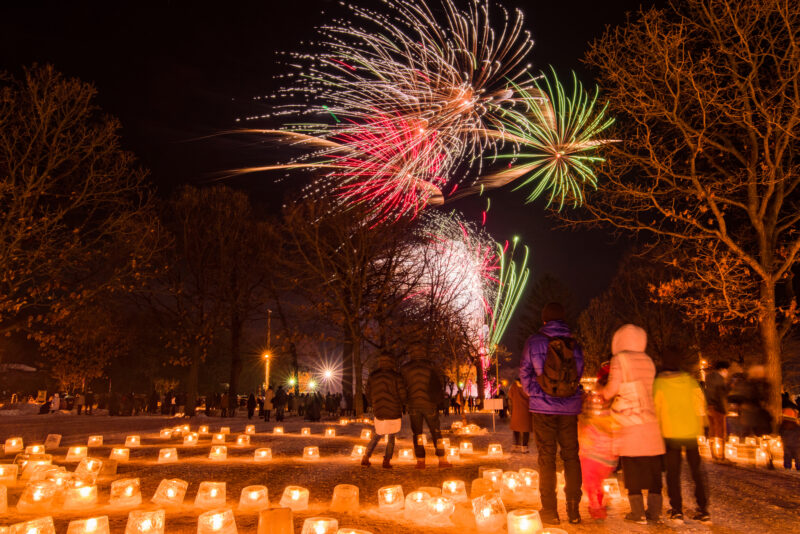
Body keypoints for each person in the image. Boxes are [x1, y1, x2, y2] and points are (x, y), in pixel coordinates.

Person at [520, 302, 584, 525]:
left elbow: (524, 371)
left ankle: (550, 511)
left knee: (546, 458)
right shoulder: (574, 344)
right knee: (571, 456)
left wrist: (535, 392)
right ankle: (574, 510)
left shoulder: (534, 341)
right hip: (568, 408)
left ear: (544, 319)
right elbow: (579, 372)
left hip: (543, 407)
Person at [600, 324, 665, 525]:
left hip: (630, 420)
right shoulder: (648, 360)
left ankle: (637, 512)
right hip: (650, 419)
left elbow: (613, 388)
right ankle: (654, 511)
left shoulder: (620, 359)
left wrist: (603, 395)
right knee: (653, 468)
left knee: (632, 467)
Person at [653, 346, 710, 524]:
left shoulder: (660, 383)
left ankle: (677, 509)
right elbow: (700, 406)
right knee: (696, 472)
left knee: (673, 473)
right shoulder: (690, 381)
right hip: (691, 431)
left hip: (670, 433)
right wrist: (704, 426)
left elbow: (656, 408)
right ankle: (703, 508)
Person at [578, 362, 618, 520]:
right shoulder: (618, 398)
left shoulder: (595, 398)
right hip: (609, 451)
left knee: (589, 478)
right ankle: (600, 499)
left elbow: (585, 417)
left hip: (593, 446)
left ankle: (596, 506)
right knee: (598, 478)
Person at [400, 348, 449, 469]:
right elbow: (438, 384)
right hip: (430, 405)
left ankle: (420, 460)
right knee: (436, 433)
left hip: (413, 406)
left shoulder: (405, 368)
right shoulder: (431, 366)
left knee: (417, 434)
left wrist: (406, 401)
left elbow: (401, 387)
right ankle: (442, 459)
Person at [362, 353, 407, 468]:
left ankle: (366, 456)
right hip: (393, 410)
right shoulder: (396, 376)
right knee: (391, 437)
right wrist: (403, 404)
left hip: (379, 410)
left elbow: (368, 393)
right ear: (391, 362)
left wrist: (374, 404)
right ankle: (386, 460)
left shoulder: (373, 376)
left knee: (377, 434)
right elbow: (402, 394)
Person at [704, 361, 730, 457]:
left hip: (709, 406)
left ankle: (713, 453)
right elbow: (720, 395)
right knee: (720, 431)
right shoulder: (719, 379)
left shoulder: (709, 378)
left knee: (712, 430)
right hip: (718, 407)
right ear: (723, 370)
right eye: (727, 370)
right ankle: (721, 455)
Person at [508, 377, 531, 453]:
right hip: (526, 410)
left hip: (516, 410)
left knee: (516, 427)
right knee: (526, 429)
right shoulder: (528, 385)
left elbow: (510, 395)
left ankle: (515, 445)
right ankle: (524, 447)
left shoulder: (514, 386)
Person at [779, 401, 800, 470]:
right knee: (797, 455)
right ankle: (798, 466)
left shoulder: (783, 426)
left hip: (787, 442)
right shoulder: (796, 426)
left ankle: (787, 466)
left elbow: (781, 432)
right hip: (796, 443)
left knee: (788, 454)